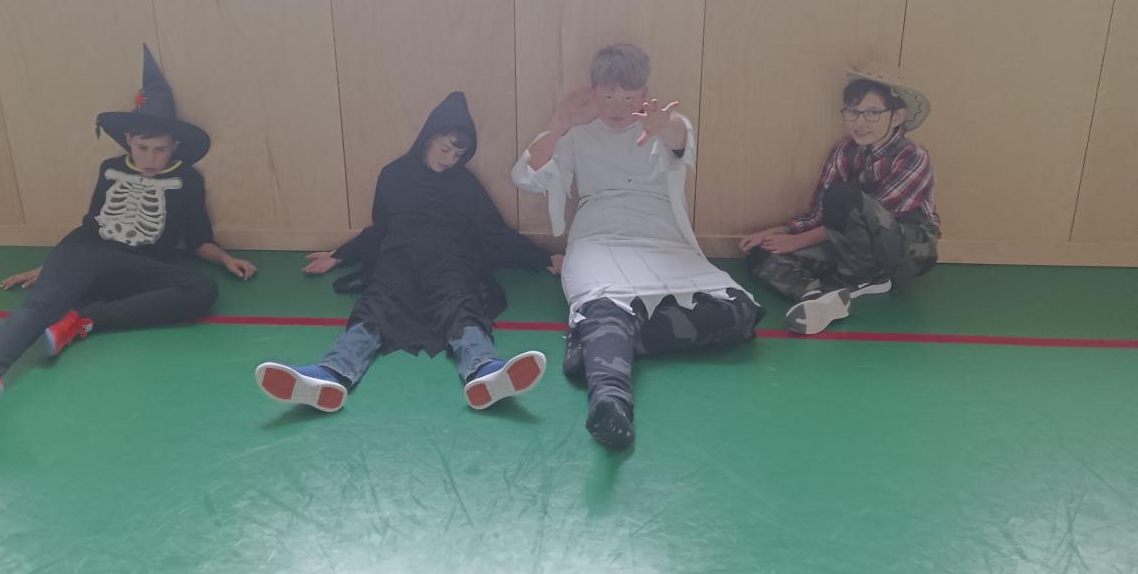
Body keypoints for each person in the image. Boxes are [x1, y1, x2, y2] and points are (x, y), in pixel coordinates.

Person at [0, 45, 256, 428]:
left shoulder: (187, 179)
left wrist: (225, 258)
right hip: (87, 252)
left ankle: (83, 321)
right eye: (141, 148)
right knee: (41, 305)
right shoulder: (109, 168)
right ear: (128, 141)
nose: (150, 159)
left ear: (174, 147)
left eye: (160, 150)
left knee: (202, 290)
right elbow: (92, 225)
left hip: (139, 266)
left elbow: (198, 238)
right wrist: (51, 268)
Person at [512, 44, 761, 448]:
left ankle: (601, 341)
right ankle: (611, 401)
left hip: (661, 234)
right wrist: (559, 123)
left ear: (644, 92)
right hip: (599, 234)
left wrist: (667, 128)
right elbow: (526, 177)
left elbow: (680, 141)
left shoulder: (663, 122)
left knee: (741, 312)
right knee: (604, 305)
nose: (618, 107)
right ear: (594, 91)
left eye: (629, 97)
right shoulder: (577, 132)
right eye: (608, 96)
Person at [256, 92, 559, 413]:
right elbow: (380, 229)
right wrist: (338, 256)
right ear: (428, 138)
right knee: (375, 306)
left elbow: (493, 230)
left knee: (460, 304)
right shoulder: (394, 175)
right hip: (399, 257)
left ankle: (485, 371)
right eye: (445, 149)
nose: (450, 160)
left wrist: (542, 258)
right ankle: (329, 374)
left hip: (451, 259)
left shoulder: (465, 183)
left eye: (458, 154)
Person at [740, 63, 939, 335]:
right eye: (852, 112)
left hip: (907, 248)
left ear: (897, 117)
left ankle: (868, 278)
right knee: (761, 253)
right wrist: (780, 231)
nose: (859, 122)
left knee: (842, 195)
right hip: (849, 246)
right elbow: (820, 213)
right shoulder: (844, 152)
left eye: (872, 113)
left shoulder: (913, 156)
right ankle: (816, 296)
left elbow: (869, 211)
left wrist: (797, 241)